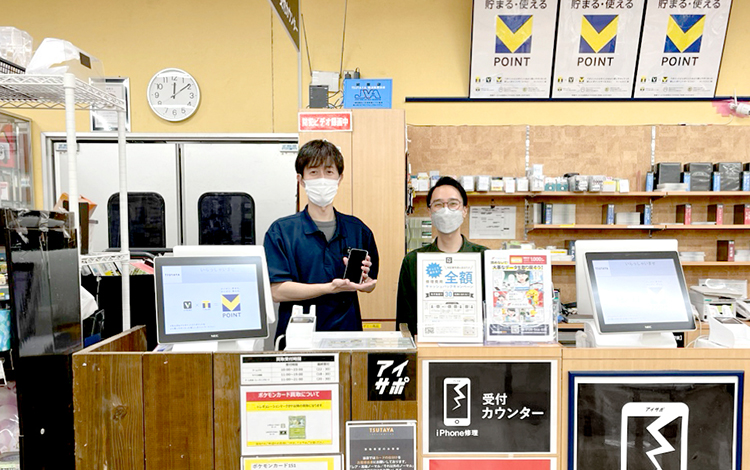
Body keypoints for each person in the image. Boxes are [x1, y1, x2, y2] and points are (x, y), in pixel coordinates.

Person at [263, 140, 379, 347]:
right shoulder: (281, 231)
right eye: (314, 172)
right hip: (297, 338)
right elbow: (277, 291)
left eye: (329, 172)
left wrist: (366, 283)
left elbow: (369, 284)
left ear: (340, 178)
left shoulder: (357, 229)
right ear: (301, 179)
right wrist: (329, 288)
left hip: (347, 335)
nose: (322, 179)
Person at [396, 176, 487, 336]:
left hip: (476, 351)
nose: (446, 210)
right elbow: (405, 322)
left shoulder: (485, 258)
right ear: (430, 212)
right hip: (427, 352)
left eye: (453, 204)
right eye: (438, 204)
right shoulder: (413, 261)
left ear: (464, 210)